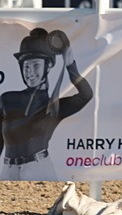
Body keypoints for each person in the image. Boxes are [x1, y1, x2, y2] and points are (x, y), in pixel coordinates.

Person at [0, 28, 93, 180]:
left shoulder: (55, 107)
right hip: (7, 170)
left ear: (48, 66)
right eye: (26, 66)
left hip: (39, 169)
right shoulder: (7, 99)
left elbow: (86, 95)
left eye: (35, 65)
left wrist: (69, 62)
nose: (29, 72)